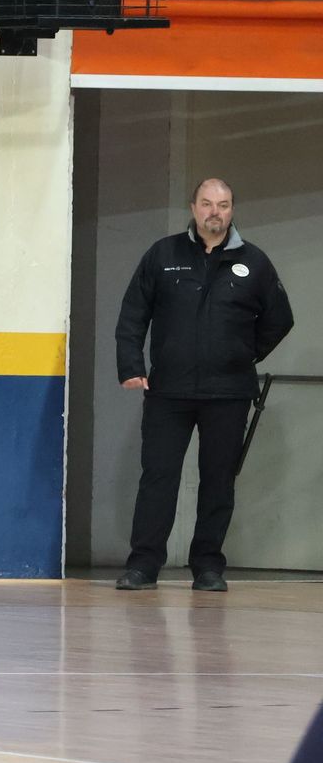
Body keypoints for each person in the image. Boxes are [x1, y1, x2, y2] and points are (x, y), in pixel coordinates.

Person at [114, 178, 293, 593]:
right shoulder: (163, 255)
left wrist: (243, 354)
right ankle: (143, 566)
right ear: (193, 208)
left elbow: (279, 319)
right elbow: (132, 315)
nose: (215, 211)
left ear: (233, 211)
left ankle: (208, 566)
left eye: (224, 205)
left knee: (218, 481)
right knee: (158, 478)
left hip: (229, 394)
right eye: (208, 203)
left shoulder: (255, 262)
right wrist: (131, 366)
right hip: (168, 392)